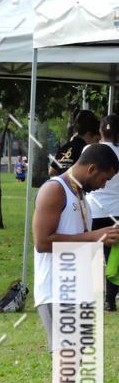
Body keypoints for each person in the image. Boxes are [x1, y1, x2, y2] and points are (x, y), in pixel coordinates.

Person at [33, 143, 119, 383]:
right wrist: (94, 237)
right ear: (91, 168)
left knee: (71, 370)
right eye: (104, 179)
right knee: (66, 369)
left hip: (76, 291)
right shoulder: (54, 190)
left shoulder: (81, 194)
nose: (104, 186)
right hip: (56, 291)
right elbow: (42, 242)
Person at [86, 114, 119, 311]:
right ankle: (110, 299)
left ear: (100, 132)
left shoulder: (90, 150)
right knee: (114, 257)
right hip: (116, 211)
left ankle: (93, 296)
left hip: (94, 209)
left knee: (93, 255)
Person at [49, 109, 100, 177]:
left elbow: (51, 171)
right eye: (97, 140)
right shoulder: (86, 151)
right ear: (89, 134)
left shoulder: (65, 147)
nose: (97, 143)